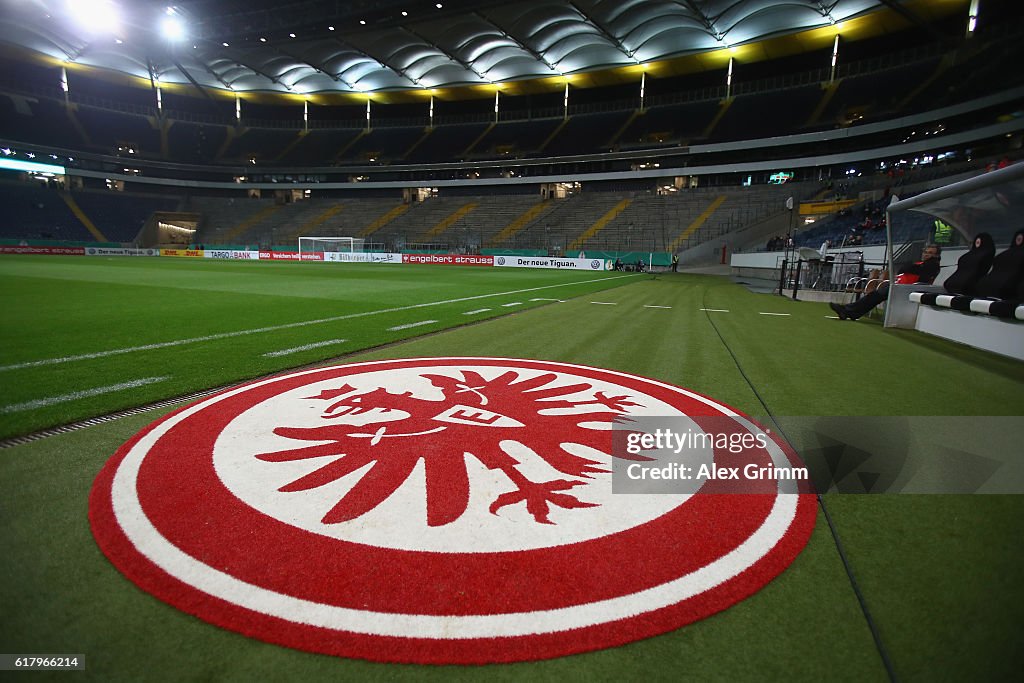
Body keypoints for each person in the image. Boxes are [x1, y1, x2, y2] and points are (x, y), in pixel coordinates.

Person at [830, 244, 941, 320]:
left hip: (908, 289)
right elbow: (905, 269)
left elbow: (908, 269)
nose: (926, 254)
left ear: (936, 255)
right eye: (925, 252)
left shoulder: (932, 265)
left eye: (930, 253)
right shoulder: (921, 264)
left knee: (876, 295)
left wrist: (908, 267)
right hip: (900, 286)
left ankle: (848, 311)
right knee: (875, 295)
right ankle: (849, 311)